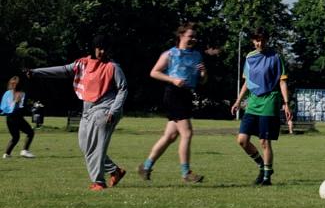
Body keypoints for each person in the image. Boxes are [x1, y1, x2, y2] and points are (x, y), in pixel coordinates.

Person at [28, 35, 128, 191]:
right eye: (99, 48)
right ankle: (115, 171)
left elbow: (123, 89)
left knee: (95, 147)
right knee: (85, 146)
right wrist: (36, 72)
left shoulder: (113, 67)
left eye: (105, 49)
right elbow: (62, 70)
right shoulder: (83, 64)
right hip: (87, 109)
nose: (102, 52)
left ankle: (98, 182)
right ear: (94, 48)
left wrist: (114, 111)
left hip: (105, 110)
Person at [138, 22, 207, 183]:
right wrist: (173, 79)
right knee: (187, 133)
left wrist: (204, 74)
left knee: (170, 136)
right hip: (173, 94)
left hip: (186, 95)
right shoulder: (170, 54)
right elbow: (154, 72)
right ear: (181, 36)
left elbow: (202, 81)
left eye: (195, 37)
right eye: (190, 36)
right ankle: (186, 173)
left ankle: (145, 167)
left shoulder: (197, 55)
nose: (193, 39)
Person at [231, 27, 292, 186]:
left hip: (269, 100)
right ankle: (262, 165)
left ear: (267, 40)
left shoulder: (276, 57)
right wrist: (238, 101)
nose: (260, 43)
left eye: (263, 40)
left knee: (264, 141)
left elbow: (282, 81)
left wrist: (286, 104)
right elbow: (247, 82)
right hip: (253, 102)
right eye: (257, 40)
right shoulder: (250, 57)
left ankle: (266, 178)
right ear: (253, 41)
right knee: (242, 140)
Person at [1, 76, 36, 158]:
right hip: (17, 116)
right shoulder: (22, 94)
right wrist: (31, 107)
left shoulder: (7, 93)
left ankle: (6, 154)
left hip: (9, 118)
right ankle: (25, 151)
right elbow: (22, 107)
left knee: (15, 137)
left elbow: (3, 106)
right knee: (30, 133)